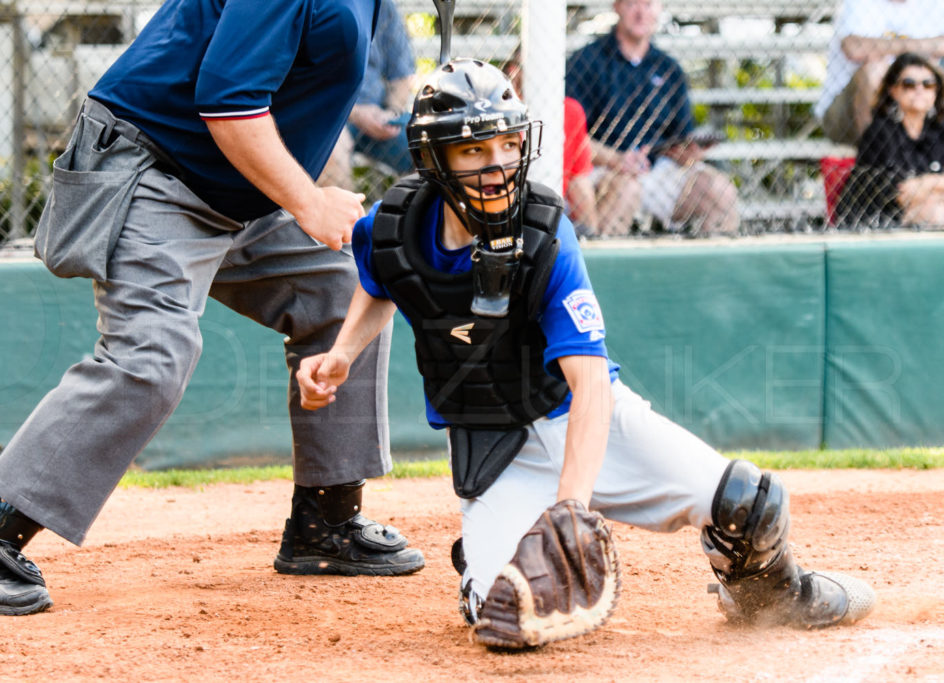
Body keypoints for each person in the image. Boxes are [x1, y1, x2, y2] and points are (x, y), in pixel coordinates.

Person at [296, 58, 875, 648]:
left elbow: (591, 383)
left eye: (506, 144)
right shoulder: (393, 226)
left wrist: (570, 505)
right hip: (492, 446)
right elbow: (380, 281)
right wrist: (342, 353)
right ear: (434, 159)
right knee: (502, 615)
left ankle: (771, 596)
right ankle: (486, 550)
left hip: (578, 418)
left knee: (749, 505)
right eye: (473, 152)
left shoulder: (543, 233)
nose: (496, 166)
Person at [0, 0, 425, 617]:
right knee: (152, 358)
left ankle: (327, 522)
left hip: (239, 194)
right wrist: (310, 203)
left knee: (346, 291)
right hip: (154, 171)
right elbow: (229, 102)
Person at [565, 0, 739, 237]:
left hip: (657, 171)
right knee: (626, 189)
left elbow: (680, 136)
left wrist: (686, 153)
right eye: (632, 3)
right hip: (602, 169)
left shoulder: (669, 68)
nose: (641, 12)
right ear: (617, 6)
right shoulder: (586, 62)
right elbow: (570, 135)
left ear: (659, 9)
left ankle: (713, 273)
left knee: (720, 190)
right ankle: (605, 270)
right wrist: (616, 159)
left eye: (648, 4)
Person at [816, 0, 944, 146]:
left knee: (928, 74)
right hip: (844, 113)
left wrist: (885, 47)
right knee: (874, 69)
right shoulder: (860, 3)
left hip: (914, 106)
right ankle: (874, 155)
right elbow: (854, 49)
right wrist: (923, 46)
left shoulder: (935, 4)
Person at [837, 53, 944, 227]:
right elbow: (901, 195)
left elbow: (916, 190)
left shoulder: (939, 131)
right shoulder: (881, 132)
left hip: (927, 209)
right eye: (909, 84)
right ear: (893, 90)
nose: (920, 90)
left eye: (928, 84)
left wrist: (928, 183)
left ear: (936, 90)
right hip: (876, 220)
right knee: (937, 213)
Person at [319, 0, 416, 190]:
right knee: (329, 153)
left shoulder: (382, 6)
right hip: (330, 117)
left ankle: (416, 216)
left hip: (379, 116)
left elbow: (402, 77)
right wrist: (355, 113)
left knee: (431, 145)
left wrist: (392, 112)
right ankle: (349, 220)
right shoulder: (312, 5)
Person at [502, 59, 600, 237]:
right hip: (506, 207)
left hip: (556, 207)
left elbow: (579, 180)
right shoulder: (501, 113)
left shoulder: (569, 110)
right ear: (514, 71)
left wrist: (592, 233)